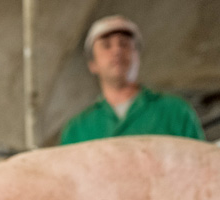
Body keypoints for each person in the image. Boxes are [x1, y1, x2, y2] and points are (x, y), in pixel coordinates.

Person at [60, 15, 205, 145]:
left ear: (137, 56)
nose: (117, 51)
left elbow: (203, 166)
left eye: (124, 44)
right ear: (92, 64)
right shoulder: (76, 130)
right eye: (106, 45)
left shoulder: (176, 112)